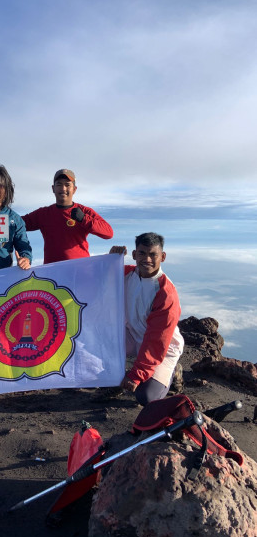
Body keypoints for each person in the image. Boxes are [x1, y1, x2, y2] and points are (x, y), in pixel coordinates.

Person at [110, 232, 184, 406]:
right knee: (100, 354)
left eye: (153, 254)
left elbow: (156, 341)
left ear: (162, 257)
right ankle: (123, 373)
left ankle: (174, 372)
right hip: (132, 335)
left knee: (146, 397)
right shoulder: (126, 274)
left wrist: (136, 375)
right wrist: (111, 261)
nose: (147, 259)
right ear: (135, 255)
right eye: (142, 253)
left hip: (163, 348)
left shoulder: (165, 292)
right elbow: (97, 279)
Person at [22, 169, 114, 264]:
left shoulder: (85, 212)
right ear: (53, 188)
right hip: (52, 274)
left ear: (74, 189)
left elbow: (108, 232)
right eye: (59, 185)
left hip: (80, 271)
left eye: (67, 185)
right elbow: (16, 223)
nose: (63, 189)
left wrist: (84, 219)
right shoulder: (43, 214)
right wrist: (5, 211)